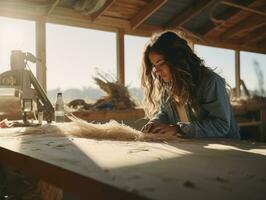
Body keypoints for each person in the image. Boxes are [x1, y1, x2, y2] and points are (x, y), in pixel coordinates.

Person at [141, 31, 240, 139]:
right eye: (155, 66)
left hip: (226, 148)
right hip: (198, 148)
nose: (157, 71)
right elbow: (165, 113)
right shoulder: (168, 86)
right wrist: (154, 124)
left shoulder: (210, 81)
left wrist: (178, 129)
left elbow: (221, 125)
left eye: (160, 63)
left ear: (177, 59)